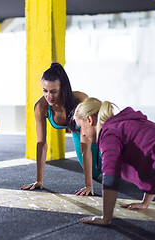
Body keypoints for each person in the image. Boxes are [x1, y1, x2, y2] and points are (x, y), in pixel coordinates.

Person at [74, 97, 155, 225]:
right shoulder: (125, 122)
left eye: (80, 127)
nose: (82, 134)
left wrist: (105, 217)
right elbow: (152, 158)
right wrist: (145, 202)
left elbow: (110, 177)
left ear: (89, 119)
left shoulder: (109, 133)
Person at [20, 63, 102, 196]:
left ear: (62, 88)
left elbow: (85, 146)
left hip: (95, 132)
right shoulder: (40, 107)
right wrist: (39, 180)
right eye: (45, 91)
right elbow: (41, 144)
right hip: (78, 133)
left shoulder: (79, 100)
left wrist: (88, 186)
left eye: (54, 91)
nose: (49, 96)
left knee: (112, 163)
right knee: (95, 173)